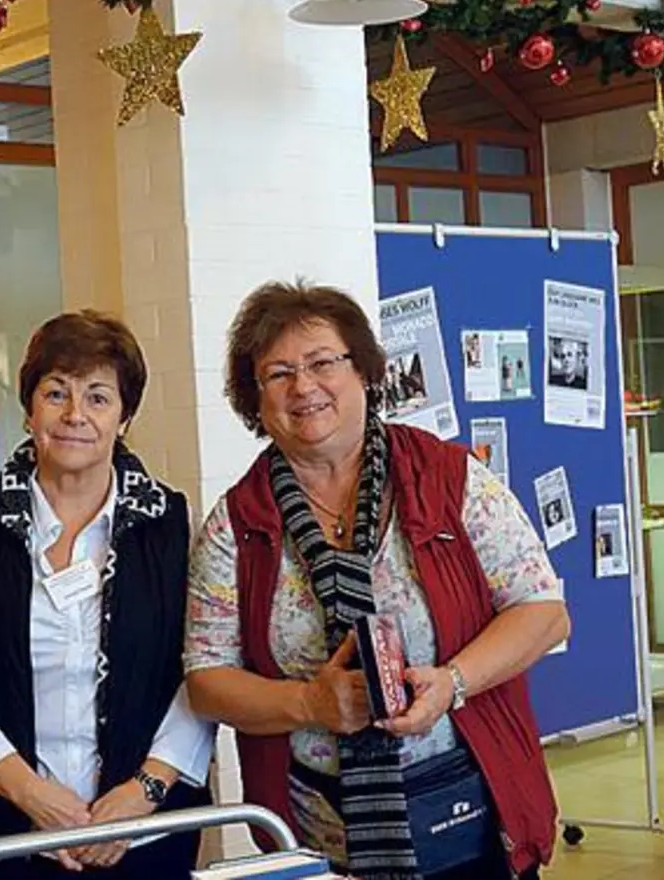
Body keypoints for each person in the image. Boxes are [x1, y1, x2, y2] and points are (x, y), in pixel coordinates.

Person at [184, 282, 570, 880]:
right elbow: (207, 680)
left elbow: (544, 611)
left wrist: (452, 683)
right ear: (255, 400)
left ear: (362, 370)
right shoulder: (237, 524)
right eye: (278, 373)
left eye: (321, 363)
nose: (303, 387)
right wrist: (309, 702)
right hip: (316, 834)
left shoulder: (449, 479)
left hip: (471, 810)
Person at [0, 311, 215, 879]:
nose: (76, 415)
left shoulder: (170, 524)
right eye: (56, 393)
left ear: (124, 416)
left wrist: (144, 791)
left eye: (99, 398)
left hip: (145, 832)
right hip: (14, 834)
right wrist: (33, 796)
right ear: (30, 408)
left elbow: (202, 668)